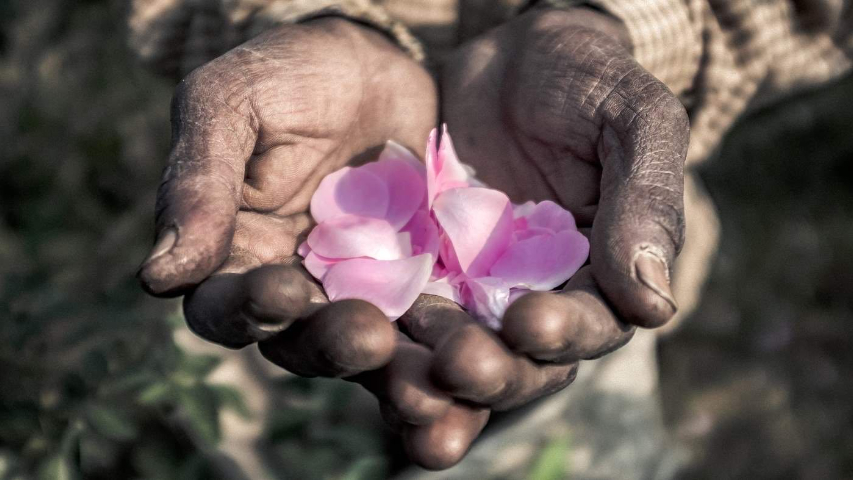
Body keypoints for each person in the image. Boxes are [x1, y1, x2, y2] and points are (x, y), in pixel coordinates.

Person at [131, 0, 853, 478]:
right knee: (250, 436)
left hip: (587, 213)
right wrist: (296, 16)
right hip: (270, 232)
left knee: (546, 426)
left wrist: (615, 20)